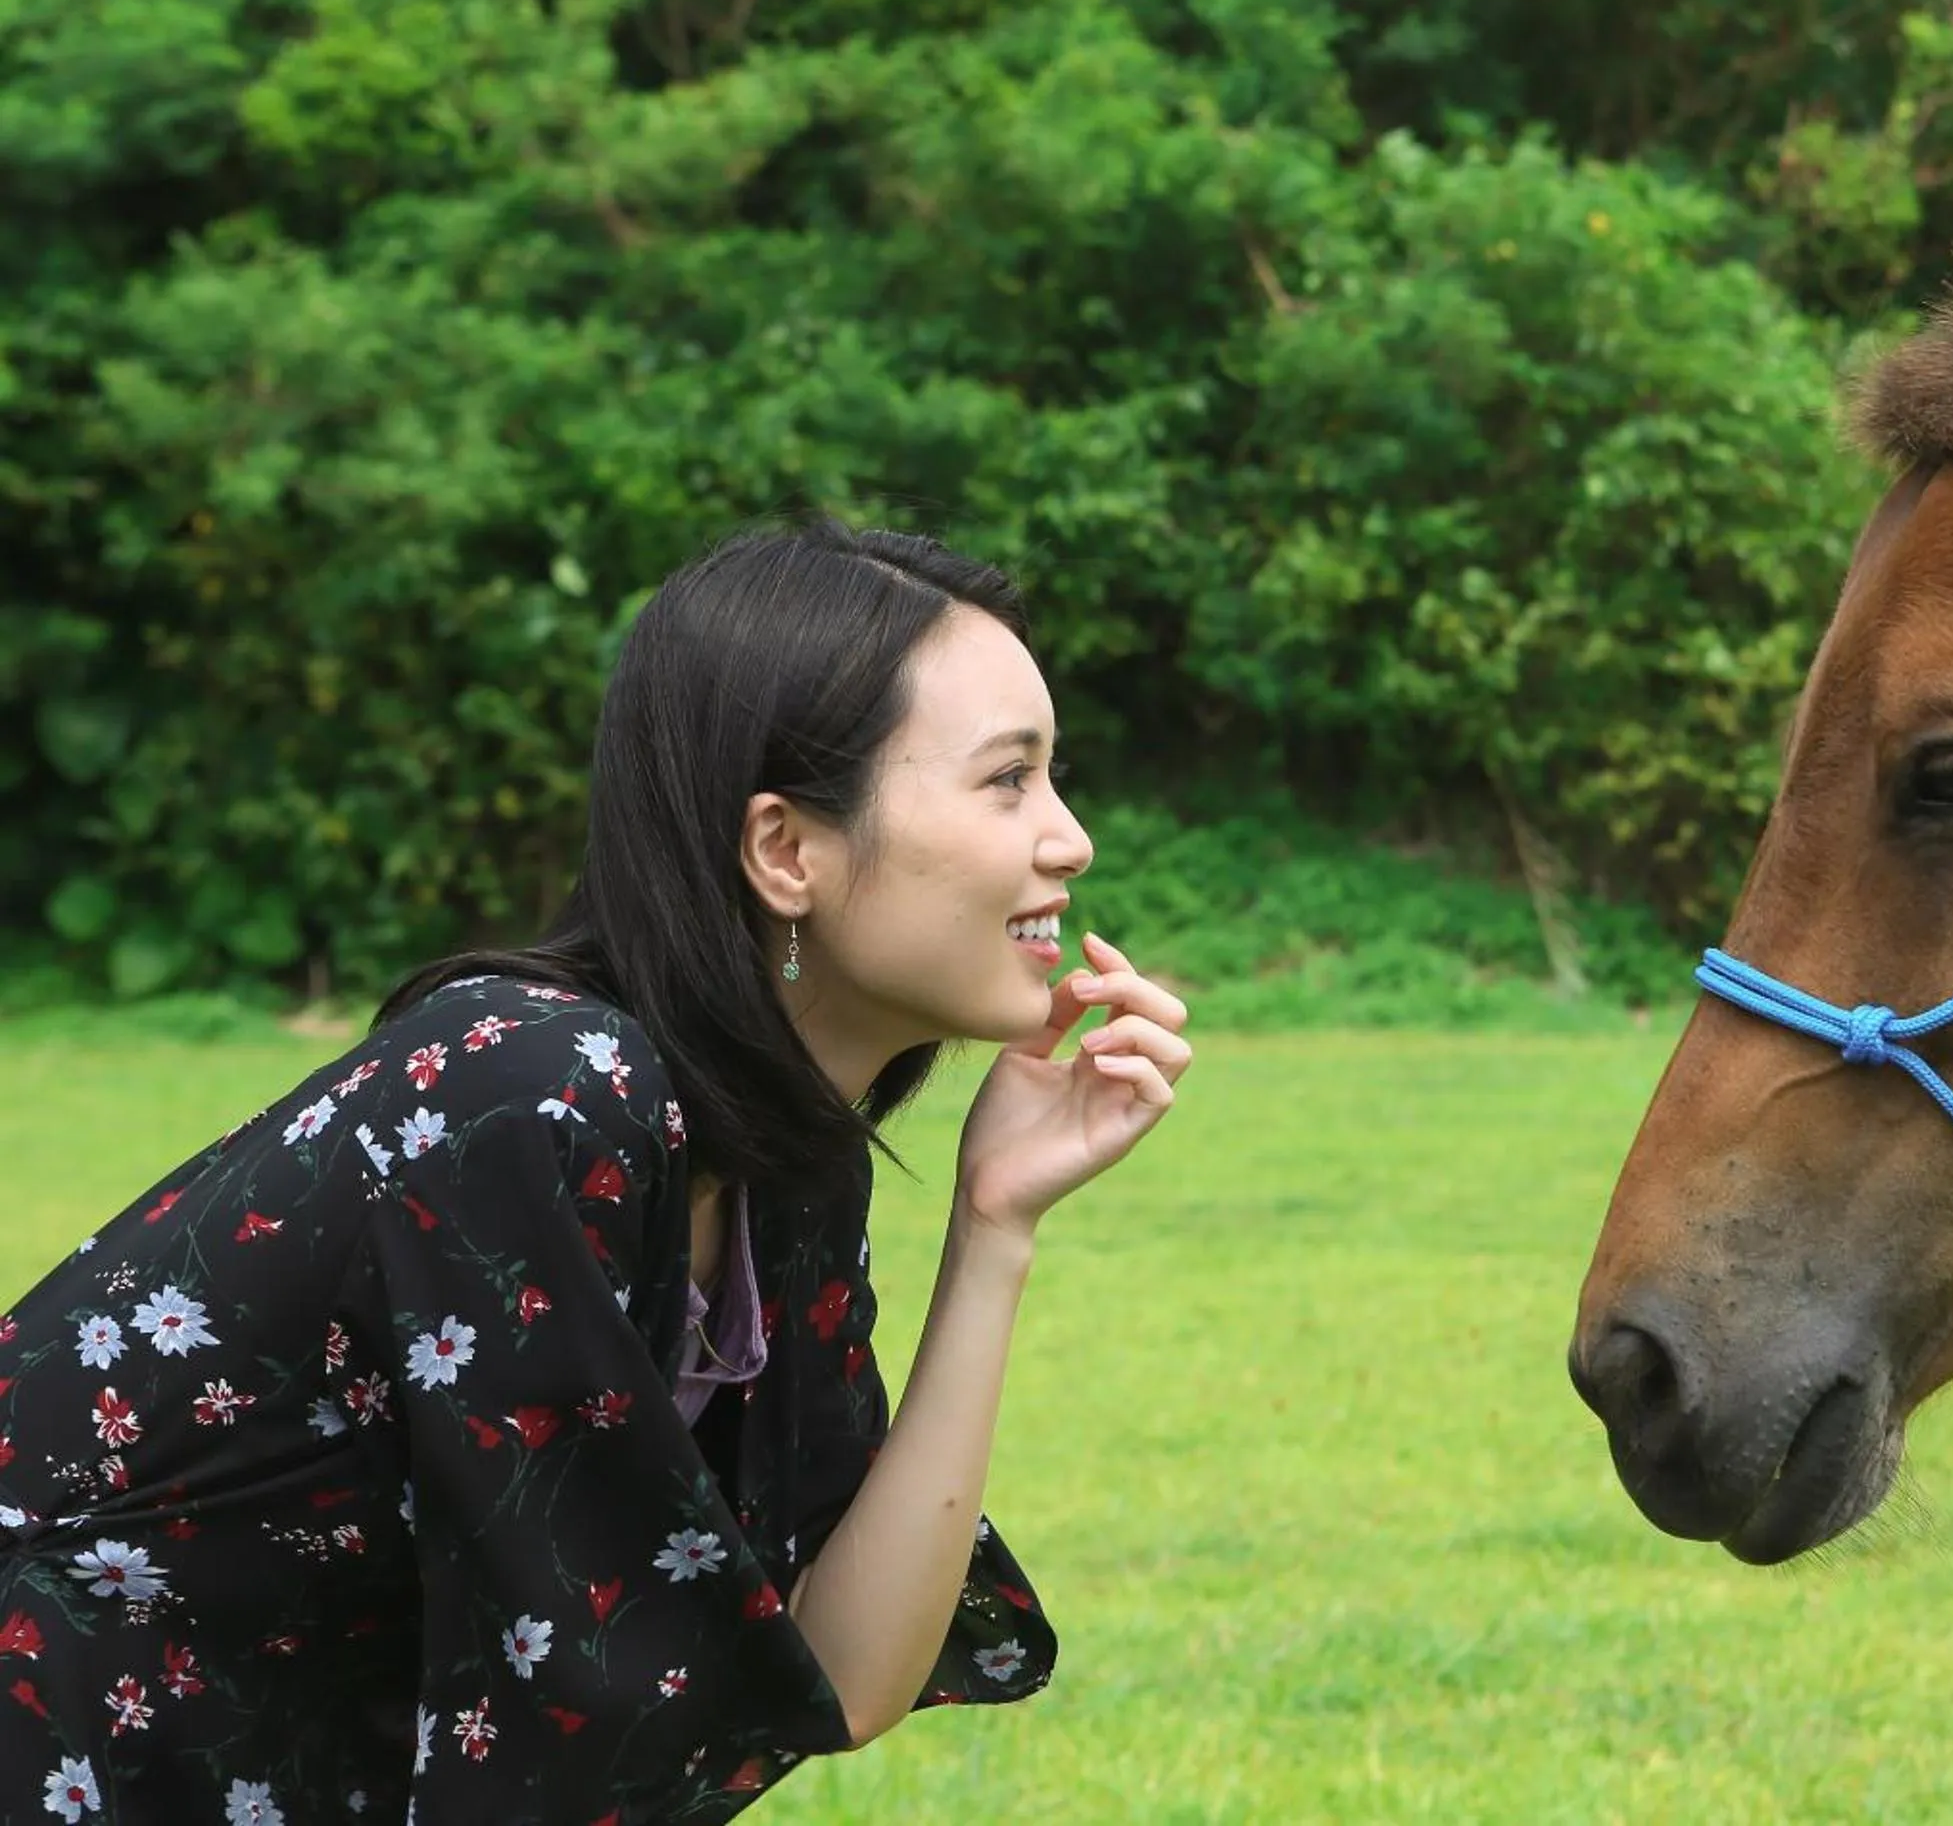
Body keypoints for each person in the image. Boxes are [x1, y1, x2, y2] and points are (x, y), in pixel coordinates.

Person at [0, 521, 1191, 1821]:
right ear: (787, 850)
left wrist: (995, 1224)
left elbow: (845, 1675)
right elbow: (569, 1714)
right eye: (1007, 782)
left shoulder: (779, 1151)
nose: (1068, 840)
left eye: (1053, 778)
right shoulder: (539, 1093)